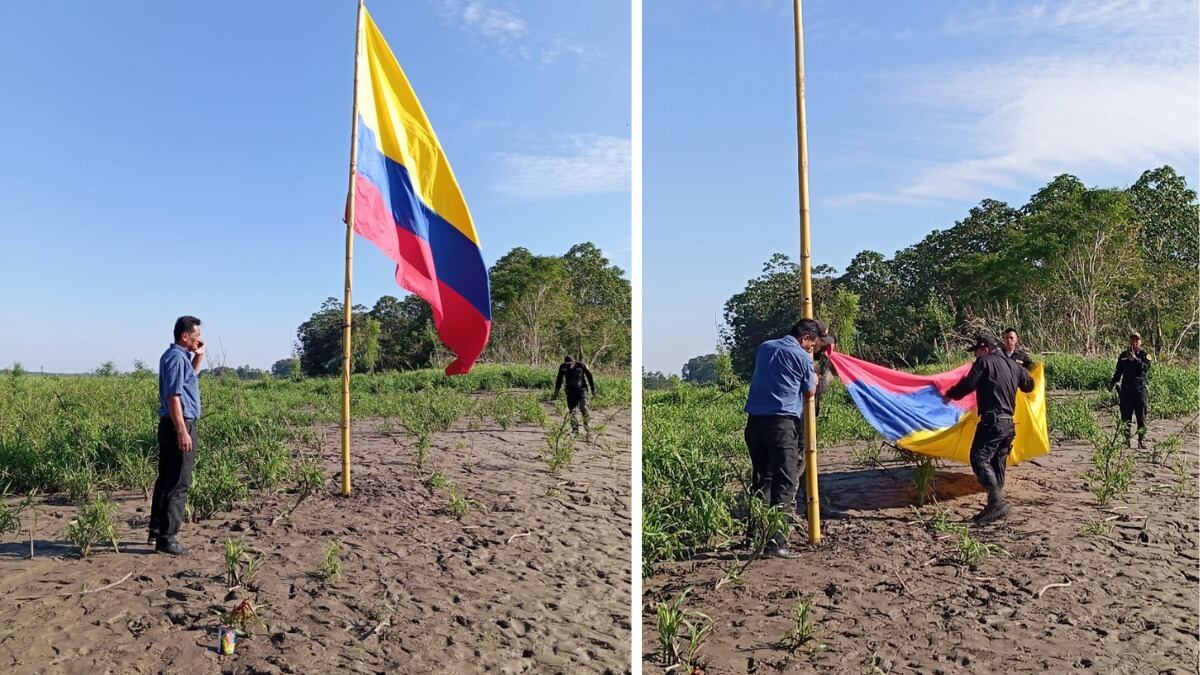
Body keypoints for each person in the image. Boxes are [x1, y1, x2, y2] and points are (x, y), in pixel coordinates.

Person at [743, 319, 820, 558]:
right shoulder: (802, 357)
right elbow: (809, 391)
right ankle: (776, 543)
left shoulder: (765, 348)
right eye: (811, 345)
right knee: (784, 482)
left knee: (761, 479)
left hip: (754, 424)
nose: (810, 349)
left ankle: (752, 536)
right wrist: (814, 378)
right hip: (781, 425)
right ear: (805, 338)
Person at [944, 332, 1033, 524]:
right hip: (1009, 424)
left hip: (992, 422)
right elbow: (1029, 386)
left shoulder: (984, 363)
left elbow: (968, 385)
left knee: (979, 458)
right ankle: (995, 505)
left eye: (976, 351)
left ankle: (996, 502)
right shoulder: (1013, 365)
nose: (975, 355)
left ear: (984, 348)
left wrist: (950, 394)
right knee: (997, 462)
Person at [148, 316, 205, 555]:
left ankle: (157, 532)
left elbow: (186, 381)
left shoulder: (179, 358)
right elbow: (174, 397)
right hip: (177, 425)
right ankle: (167, 539)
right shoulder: (175, 358)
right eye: (196, 335)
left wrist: (199, 357)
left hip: (173, 424)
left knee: (167, 479)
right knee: (179, 483)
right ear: (185, 336)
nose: (199, 339)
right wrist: (182, 431)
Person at [1109, 332, 1152, 449]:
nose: (1134, 342)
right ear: (1129, 341)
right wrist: (1112, 383)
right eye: (1132, 340)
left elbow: (1146, 368)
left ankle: (1141, 441)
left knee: (1141, 417)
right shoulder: (1123, 355)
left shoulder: (1144, 355)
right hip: (1126, 391)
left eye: (1136, 340)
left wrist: (1135, 360)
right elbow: (1118, 372)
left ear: (1140, 342)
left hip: (1139, 391)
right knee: (1125, 417)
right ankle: (1126, 441)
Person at [553, 355, 596, 435]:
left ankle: (587, 425)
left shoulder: (580, 365)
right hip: (570, 391)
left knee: (583, 406)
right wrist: (556, 392)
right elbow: (559, 379)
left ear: (574, 362)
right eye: (567, 364)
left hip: (582, 389)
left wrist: (593, 388)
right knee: (572, 411)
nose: (569, 366)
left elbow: (589, 376)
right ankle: (575, 430)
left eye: (570, 364)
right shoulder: (563, 367)